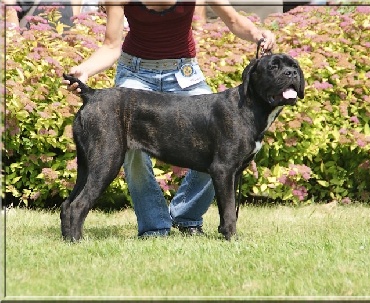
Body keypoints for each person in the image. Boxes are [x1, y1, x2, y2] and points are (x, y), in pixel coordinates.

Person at [63, 0, 276, 238]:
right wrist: (85, 70)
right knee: (131, 151)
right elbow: (111, 46)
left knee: (224, 145)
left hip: (184, 73)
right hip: (136, 72)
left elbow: (234, 20)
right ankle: (154, 226)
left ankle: (187, 215)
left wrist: (258, 35)